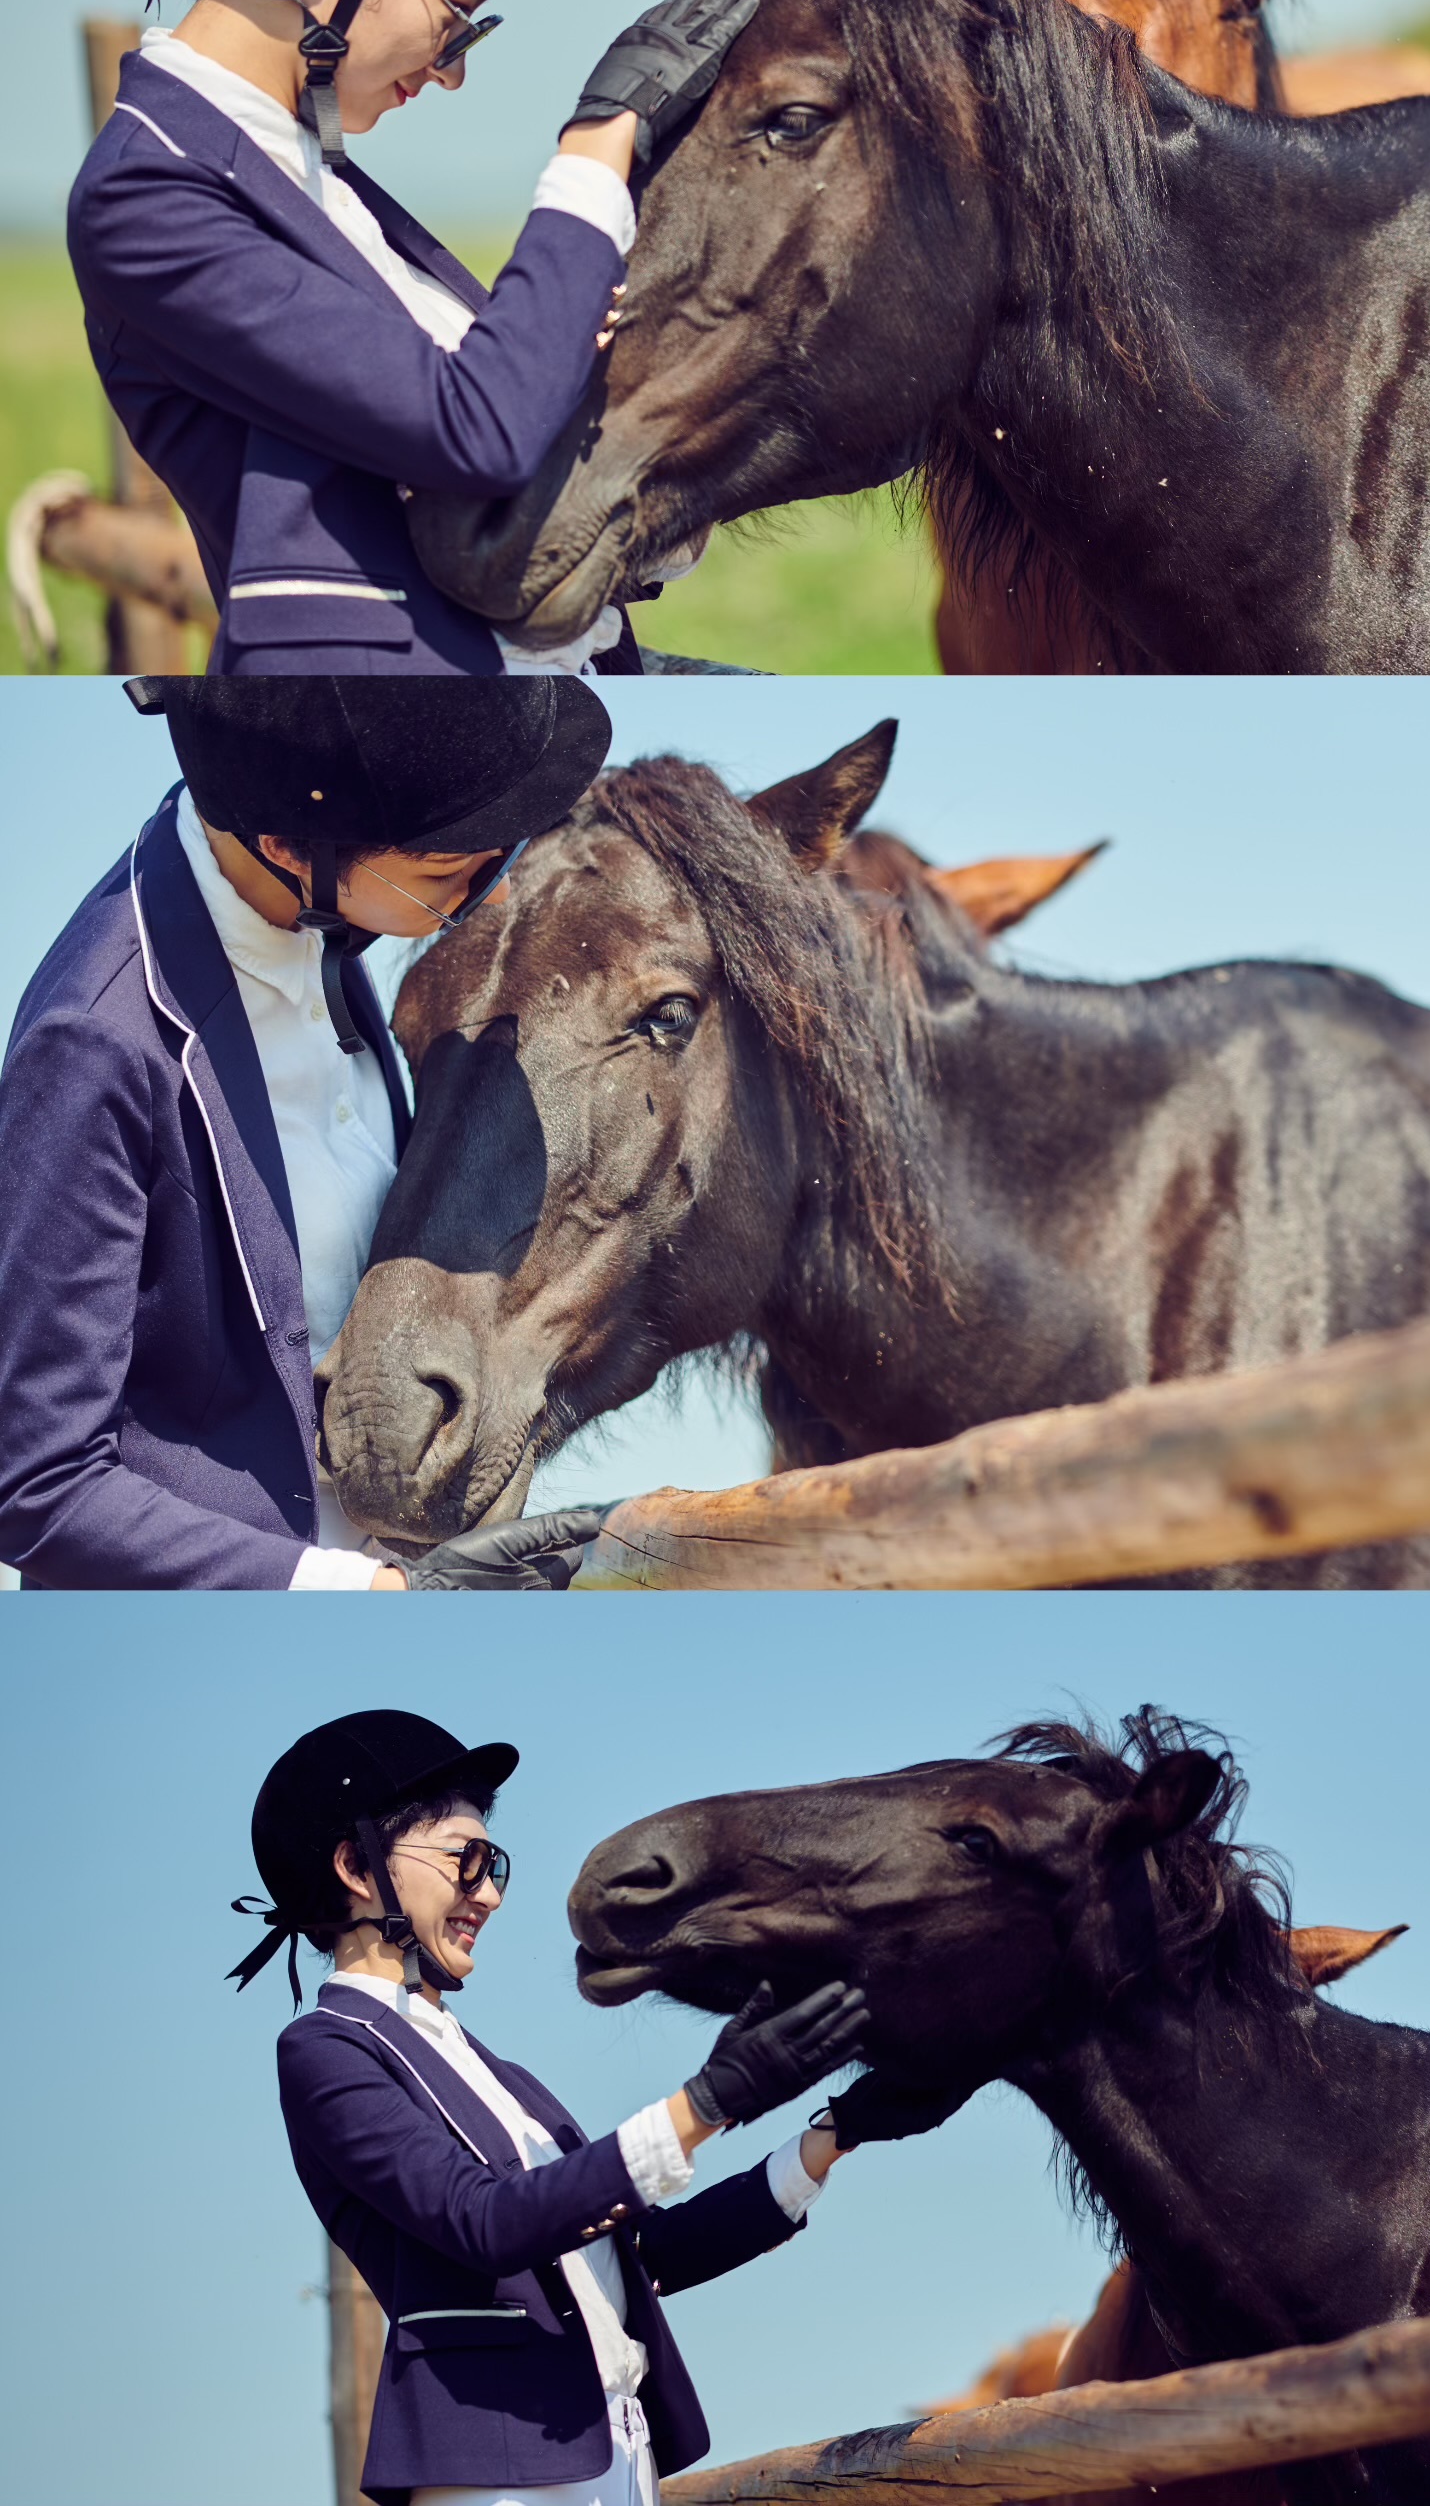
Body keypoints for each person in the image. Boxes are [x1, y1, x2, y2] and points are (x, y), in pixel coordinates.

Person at [66, 0, 757, 674]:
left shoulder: (311, 171)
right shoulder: (145, 199)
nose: (452, 69)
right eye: (457, 14)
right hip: (423, 689)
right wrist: (596, 147)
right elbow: (475, 430)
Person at [0, 684, 627, 1588]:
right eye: (452, 874)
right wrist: (358, 1593)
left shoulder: (317, 916)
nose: (482, 891)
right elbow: (39, 1485)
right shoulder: (94, 1046)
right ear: (291, 846)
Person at [250, 1710, 874, 2506]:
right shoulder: (327, 2049)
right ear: (357, 1867)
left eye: (494, 1864)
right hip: (496, 2469)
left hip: (615, 2447)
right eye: (465, 1861)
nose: (491, 1894)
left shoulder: (500, 2074)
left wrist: (831, 2137)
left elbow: (639, 2256)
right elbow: (486, 2223)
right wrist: (709, 2101)